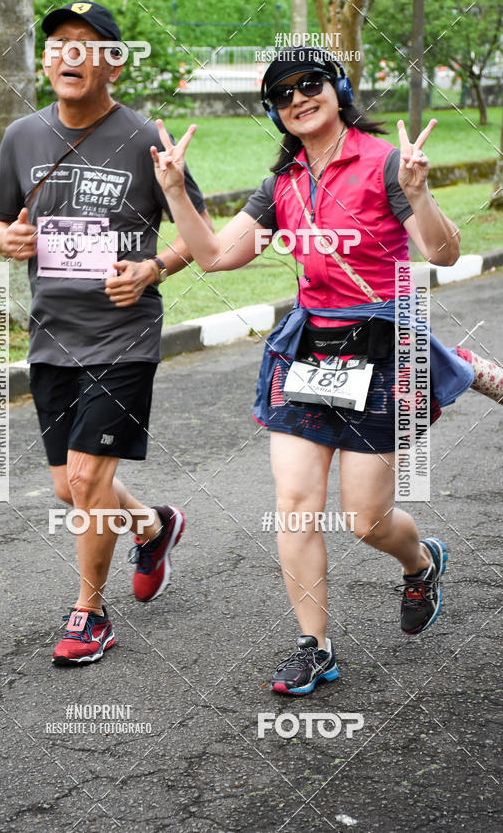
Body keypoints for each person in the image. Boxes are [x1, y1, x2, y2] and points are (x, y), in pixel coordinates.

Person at [150, 46, 475, 695]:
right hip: (308, 351)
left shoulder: (384, 164)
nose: (298, 97)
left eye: (310, 83)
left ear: (338, 88)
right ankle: (315, 646)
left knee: (366, 519)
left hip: (380, 349)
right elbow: (214, 255)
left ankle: (419, 561)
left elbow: (442, 250)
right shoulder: (282, 185)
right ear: (276, 112)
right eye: (282, 93)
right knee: (294, 505)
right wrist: (175, 191)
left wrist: (419, 192)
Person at [0, 2, 213, 666]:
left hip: (123, 334)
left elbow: (201, 231)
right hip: (52, 332)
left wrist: (152, 268)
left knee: (87, 477)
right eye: (59, 44)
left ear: (114, 61)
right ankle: (153, 523)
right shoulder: (21, 136)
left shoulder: (145, 137)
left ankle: (90, 611)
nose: (70, 55)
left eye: (89, 46)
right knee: (69, 486)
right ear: (47, 59)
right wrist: (9, 237)